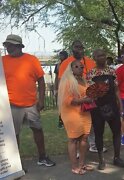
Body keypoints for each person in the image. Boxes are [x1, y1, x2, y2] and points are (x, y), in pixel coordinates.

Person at [2, 34, 56, 168]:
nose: (8, 48)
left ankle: (42, 157)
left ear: (19, 46)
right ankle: (15, 164)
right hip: (11, 105)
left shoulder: (32, 60)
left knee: (37, 129)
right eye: (7, 45)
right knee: (13, 135)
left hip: (31, 104)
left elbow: (41, 81)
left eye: (11, 45)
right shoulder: (2, 61)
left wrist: (41, 100)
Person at [58, 40, 105, 153]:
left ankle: (93, 144)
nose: (79, 49)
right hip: (72, 99)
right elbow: (60, 80)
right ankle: (77, 149)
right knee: (75, 126)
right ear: (72, 48)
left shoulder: (89, 61)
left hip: (88, 97)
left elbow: (95, 77)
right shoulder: (66, 63)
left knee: (91, 123)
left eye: (81, 47)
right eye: (76, 47)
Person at [86, 49, 124, 169]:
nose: (102, 57)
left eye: (103, 55)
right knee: (99, 133)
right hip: (97, 107)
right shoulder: (91, 73)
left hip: (112, 105)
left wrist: (120, 104)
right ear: (94, 58)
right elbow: (89, 92)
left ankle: (117, 157)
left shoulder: (111, 71)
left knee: (117, 131)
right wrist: (98, 91)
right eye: (99, 55)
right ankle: (101, 160)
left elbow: (117, 89)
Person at [58, 60, 94, 175]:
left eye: (81, 67)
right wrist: (84, 100)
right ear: (71, 68)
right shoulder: (67, 81)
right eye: (76, 66)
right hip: (71, 113)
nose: (79, 68)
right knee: (73, 139)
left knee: (84, 138)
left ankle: (82, 164)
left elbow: (87, 93)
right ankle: (74, 166)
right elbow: (67, 100)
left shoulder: (83, 80)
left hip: (84, 112)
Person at [54, 50, 68, 129]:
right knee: (61, 105)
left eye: (62, 55)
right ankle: (61, 122)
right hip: (61, 87)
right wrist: (56, 88)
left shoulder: (70, 64)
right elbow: (56, 77)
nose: (60, 57)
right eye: (60, 55)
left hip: (69, 86)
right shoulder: (58, 65)